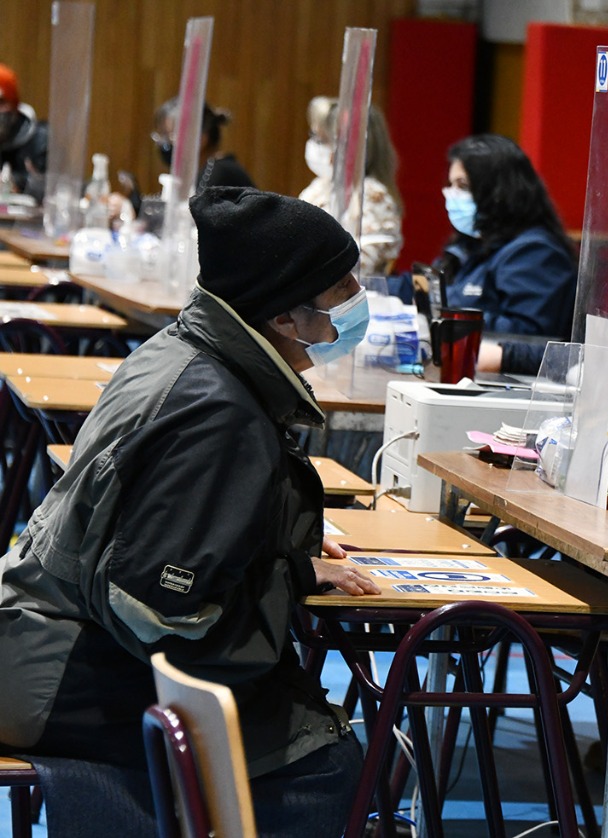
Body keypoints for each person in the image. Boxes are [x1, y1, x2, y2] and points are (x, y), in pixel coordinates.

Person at [0, 186, 381, 836]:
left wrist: (281, 558)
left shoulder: (184, 354)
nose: (354, 302)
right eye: (340, 287)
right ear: (284, 316)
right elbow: (157, 612)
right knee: (325, 759)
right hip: (64, 672)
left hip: (34, 636)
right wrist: (284, 576)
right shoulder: (221, 414)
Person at [441, 134, 576, 375]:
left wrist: (450, 317)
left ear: (496, 189)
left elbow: (528, 334)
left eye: (462, 186)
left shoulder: (535, 252)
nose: (451, 195)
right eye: (451, 185)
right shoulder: (470, 244)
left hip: (510, 382)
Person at [300, 97, 404, 276]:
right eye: (315, 138)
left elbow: (359, 265)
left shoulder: (371, 194)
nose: (316, 146)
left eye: (323, 140)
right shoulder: (320, 186)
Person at [153, 98, 254, 191]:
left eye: (173, 134)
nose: (168, 142)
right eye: (166, 135)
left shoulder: (218, 173)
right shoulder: (212, 169)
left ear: (201, 136)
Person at [0, 62, 48, 200]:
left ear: (14, 105)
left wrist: (18, 182)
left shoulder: (41, 139)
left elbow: (62, 186)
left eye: (1, 102)